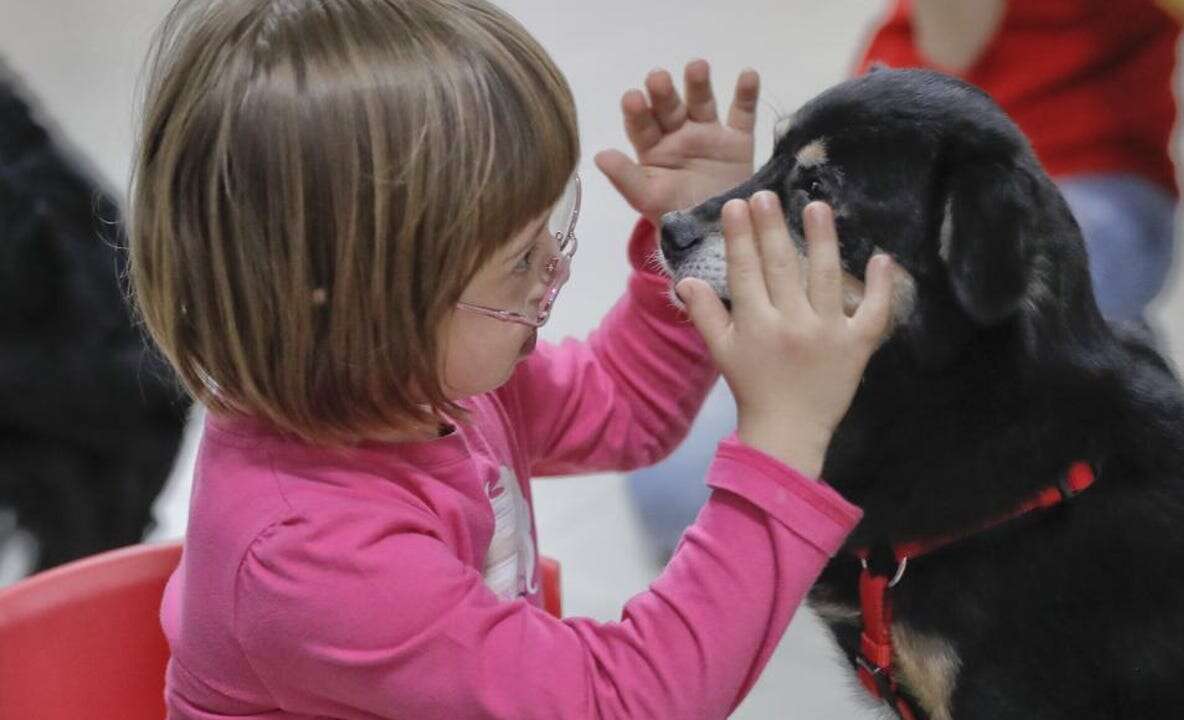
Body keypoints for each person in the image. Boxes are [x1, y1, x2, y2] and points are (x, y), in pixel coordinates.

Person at [127, 0, 901, 717]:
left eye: (550, 233)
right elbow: (624, 701)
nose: (556, 273)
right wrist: (783, 445)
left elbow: (624, 405)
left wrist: (692, 238)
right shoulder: (308, 555)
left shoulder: (417, 377)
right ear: (368, 303)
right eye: (518, 263)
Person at [626, 0, 1184, 563]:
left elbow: (956, 42)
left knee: (1037, 366)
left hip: (1088, 177)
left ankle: (1105, 346)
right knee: (670, 492)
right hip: (887, 148)